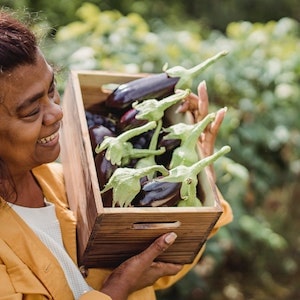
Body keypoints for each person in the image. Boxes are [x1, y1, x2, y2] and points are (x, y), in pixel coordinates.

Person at [0, 10, 233, 300]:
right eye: (32, 111)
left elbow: (164, 264)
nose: (57, 112)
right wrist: (118, 287)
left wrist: (200, 179)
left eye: (52, 90)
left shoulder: (69, 182)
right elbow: (127, 277)